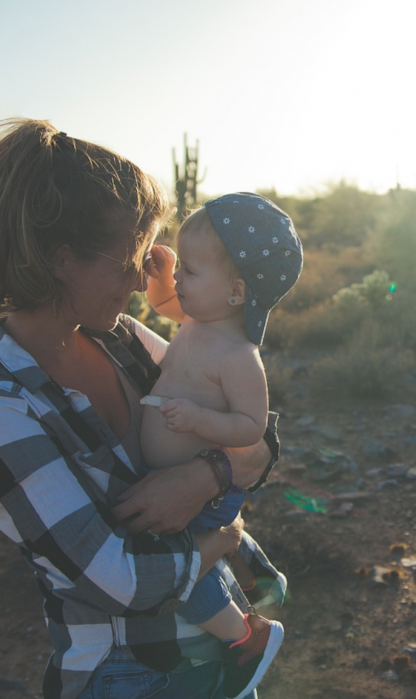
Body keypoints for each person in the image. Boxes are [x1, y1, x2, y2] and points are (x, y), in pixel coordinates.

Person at [0, 118, 284, 699]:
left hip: (217, 656)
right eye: (130, 257)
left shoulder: (121, 338)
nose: (140, 278)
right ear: (62, 259)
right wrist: (218, 539)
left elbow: (259, 439)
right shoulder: (0, 404)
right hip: (129, 672)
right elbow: (118, 581)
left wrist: (207, 475)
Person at [139, 193, 302, 699]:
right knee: (183, 556)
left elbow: (251, 427)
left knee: (183, 568)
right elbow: (166, 304)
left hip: (204, 495)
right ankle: (253, 568)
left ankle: (244, 638)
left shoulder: (237, 356)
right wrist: (164, 275)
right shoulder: (197, 319)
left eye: (191, 270)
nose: (180, 282)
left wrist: (200, 419)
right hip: (185, 486)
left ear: (235, 292)